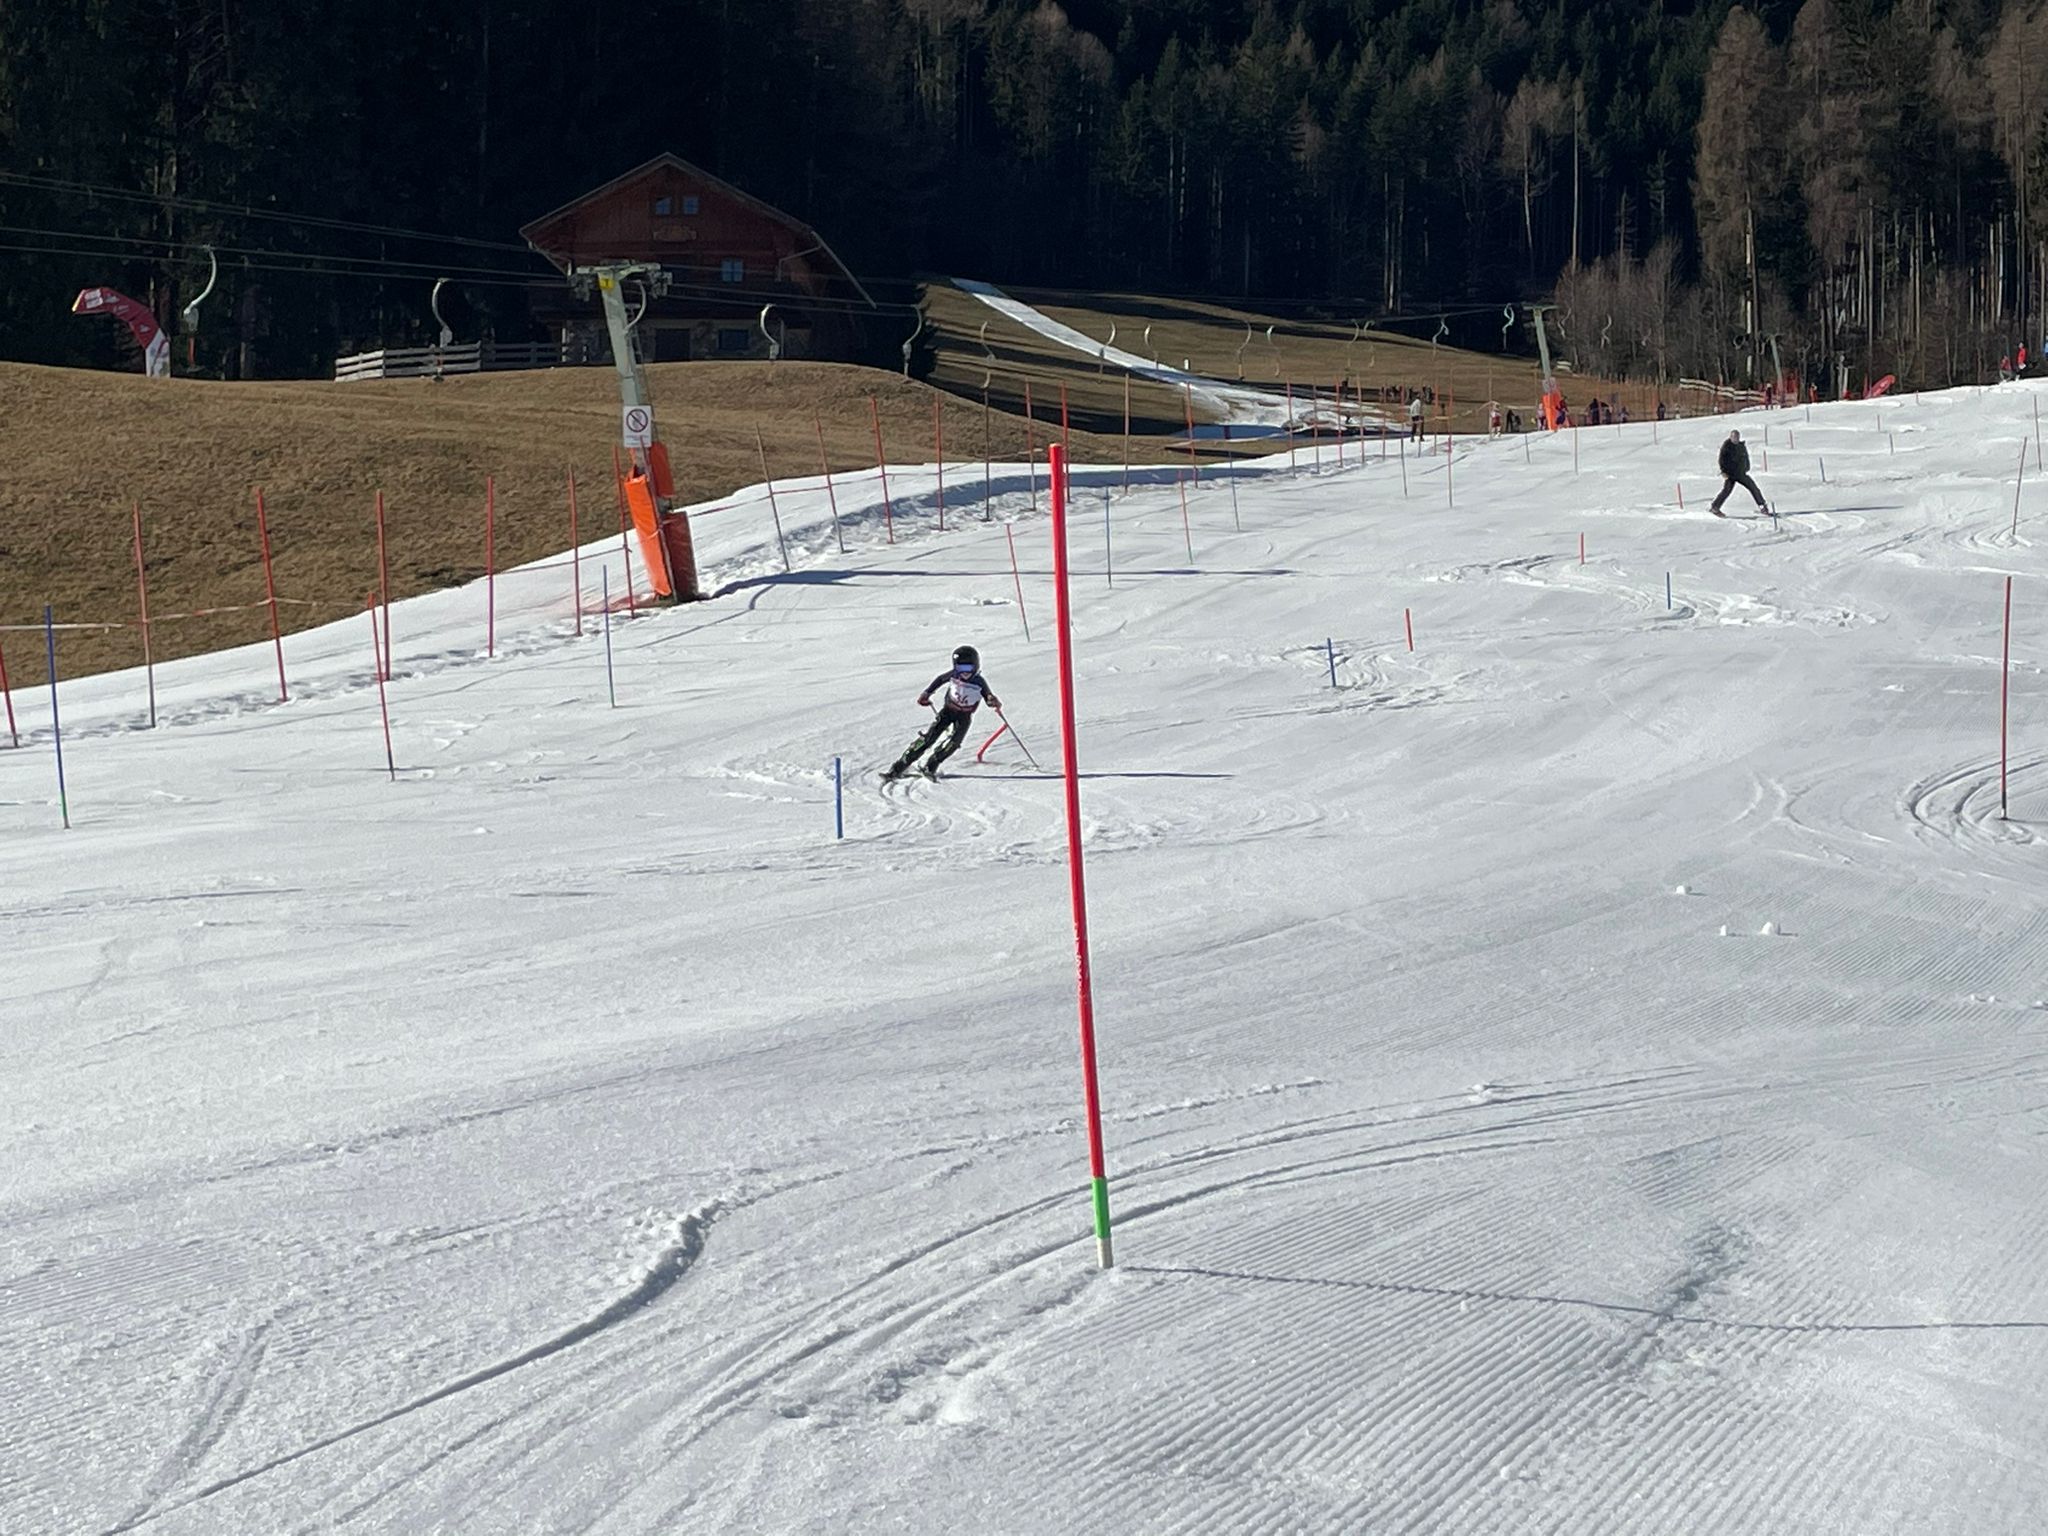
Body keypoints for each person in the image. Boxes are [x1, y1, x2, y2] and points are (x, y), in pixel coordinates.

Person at [884, 645, 1002, 781]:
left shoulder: (979, 682)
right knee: (929, 739)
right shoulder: (954, 675)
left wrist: (992, 701)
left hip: (964, 716)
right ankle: (899, 766)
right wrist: (927, 693)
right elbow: (940, 680)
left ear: (975, 666)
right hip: (948, 711)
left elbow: (987, 696)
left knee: (953, 743)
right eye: (960, 668)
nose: (965, 673)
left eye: (968, 668)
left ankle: (931, 765)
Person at [1710, 429, 1769, 518]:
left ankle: (1762, 506)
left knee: (1753, 488)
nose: (1735, 439)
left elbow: (1746, 457)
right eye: (1733, 437)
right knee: (1726, 490)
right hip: (1730, 474)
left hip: (1740, 473)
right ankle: (1715, 507)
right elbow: (1722, 460)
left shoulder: (1741, 446)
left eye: (1737, 437)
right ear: (1730, 437)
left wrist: (1747, 467)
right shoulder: (1727, 446)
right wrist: (1724, 471)